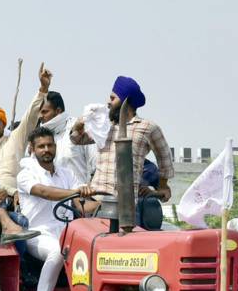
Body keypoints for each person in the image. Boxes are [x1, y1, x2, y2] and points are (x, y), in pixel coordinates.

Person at [17, 126, 94, 291]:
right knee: (57, 251)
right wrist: (76, 192)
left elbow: (81, 204)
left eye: (50, 145)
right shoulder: (26, 174)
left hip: (68, 232)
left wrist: (108, 202)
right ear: (32, 149)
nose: (46, 149)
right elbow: (44, 192)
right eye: (41, 146)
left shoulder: (67, 173)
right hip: (37, 234)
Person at [71, 76, 173, 212]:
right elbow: (77, 140)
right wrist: (78, 125)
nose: (108, 102)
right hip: (96, 199)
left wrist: (163, 186)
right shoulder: (105, 126)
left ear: (126, 101)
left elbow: (165, 159)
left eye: (113, 98)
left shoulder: (147, 127)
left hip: (126, 205)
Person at [39, 90, 97, 185]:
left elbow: (95, 164)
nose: (40, 116)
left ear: (58, 111)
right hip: (52, 196)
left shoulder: (79, 130)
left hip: (79, 196)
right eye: (40, 112)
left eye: (45, 112)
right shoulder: (41, 137)